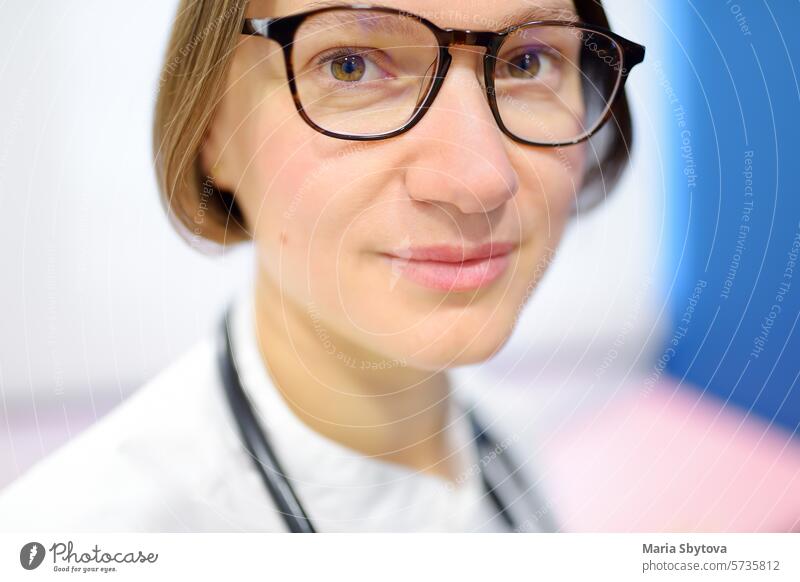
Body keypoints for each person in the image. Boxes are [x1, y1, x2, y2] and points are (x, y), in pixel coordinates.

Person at [0, 0, 643, 532]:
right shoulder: (77, 534)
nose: (479, 179)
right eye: (350, 66)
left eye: (528, 61)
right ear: (211, 130)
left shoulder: (516, 444)